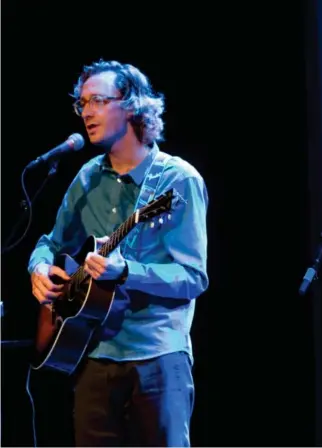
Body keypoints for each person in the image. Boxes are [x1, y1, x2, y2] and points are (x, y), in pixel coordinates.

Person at [27, 59, 209, 446]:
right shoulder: (88, 178)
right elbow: (52, 243)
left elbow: (193, 278)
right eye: (81, 104)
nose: (86, 112)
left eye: (97, 100)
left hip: (157, 358)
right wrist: (40, 268)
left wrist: (126, 271)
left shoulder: (177, 180)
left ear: (131, 106)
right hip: (93, 356)